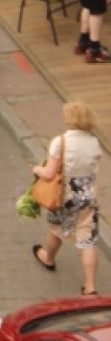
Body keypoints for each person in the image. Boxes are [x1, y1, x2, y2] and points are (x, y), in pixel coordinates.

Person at [31, 101, 102, 296]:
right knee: (88, 240)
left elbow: (49, 173)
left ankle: (49, 258)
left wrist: (36, 169)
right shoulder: (94, 142)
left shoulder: (60, 141)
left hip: (64, 196)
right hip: (88, 196)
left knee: (56, 230)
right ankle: (90, 286)